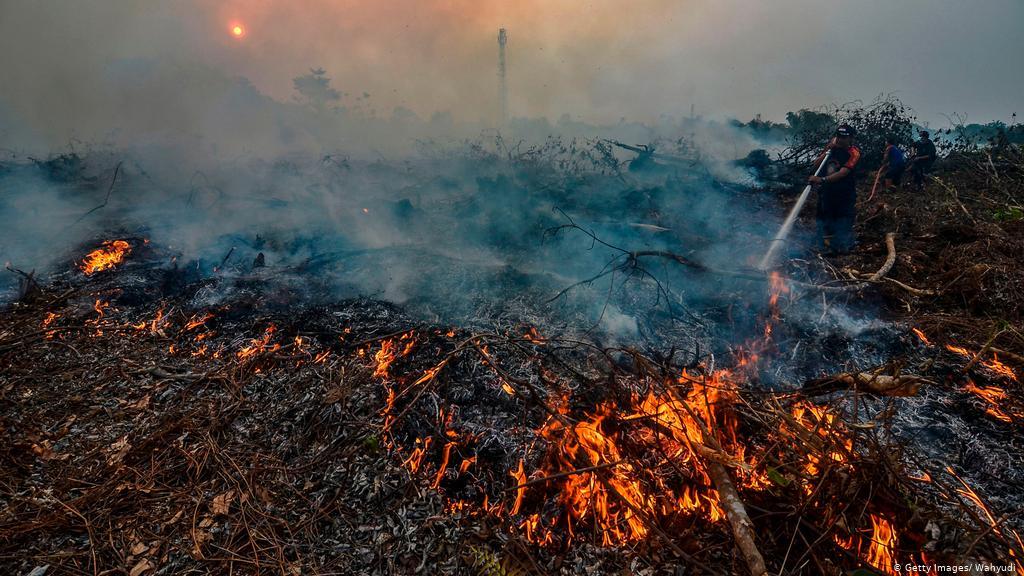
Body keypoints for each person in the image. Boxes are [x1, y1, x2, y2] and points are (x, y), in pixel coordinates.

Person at [808, 124, 861, 254]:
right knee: (824, 219)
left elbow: (843, 172)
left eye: (844, 137)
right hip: (827, 193)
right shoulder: (830, 150)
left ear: (851, 138)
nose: (840, 139)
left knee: (843, 220)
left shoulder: (853, 153)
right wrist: (826, 150)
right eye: (838, 136)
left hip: (844, 194)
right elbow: (815, 165)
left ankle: (840, 246)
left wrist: (822, 180)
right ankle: (824, 245)